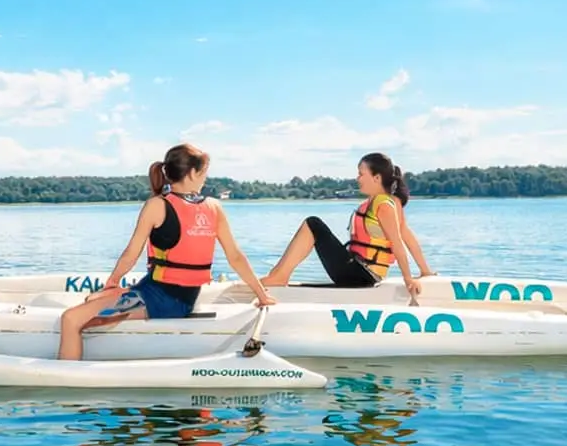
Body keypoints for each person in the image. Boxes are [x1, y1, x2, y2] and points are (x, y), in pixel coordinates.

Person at [58, 143, 275, 360]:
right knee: (92, 299)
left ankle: (64, 379)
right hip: (172, 296)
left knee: (70, 319)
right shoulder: (214, 207)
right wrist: (261, 295)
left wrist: (113, 281)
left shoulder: (156, 205)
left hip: (162, 300)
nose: (204, 179)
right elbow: (236, 257)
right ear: (191, 173)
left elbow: (130, 254)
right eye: (203, 174)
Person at [259, 152, 432, 299]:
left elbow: (398, 242)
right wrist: (424, 270)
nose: (357, 179)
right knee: (314, 225)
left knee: (313, 224)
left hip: (363, 275)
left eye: (361, 174)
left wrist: (408, 279)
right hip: (356, 270)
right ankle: (277, 276)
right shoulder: (373, 202)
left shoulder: (384, 205)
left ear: (376, 178)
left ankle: (278, 277)